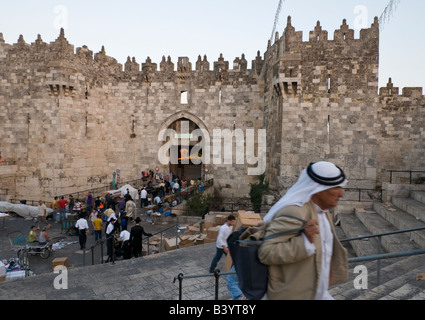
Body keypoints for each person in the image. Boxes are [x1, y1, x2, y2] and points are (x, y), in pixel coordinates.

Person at [258, 161, 349, 300]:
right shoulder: (295, 212)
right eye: (335, 187)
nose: (341, 193)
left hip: (316, 293)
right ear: (319, 189)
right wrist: (305, 242)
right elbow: (266, 252)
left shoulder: (323, 212)